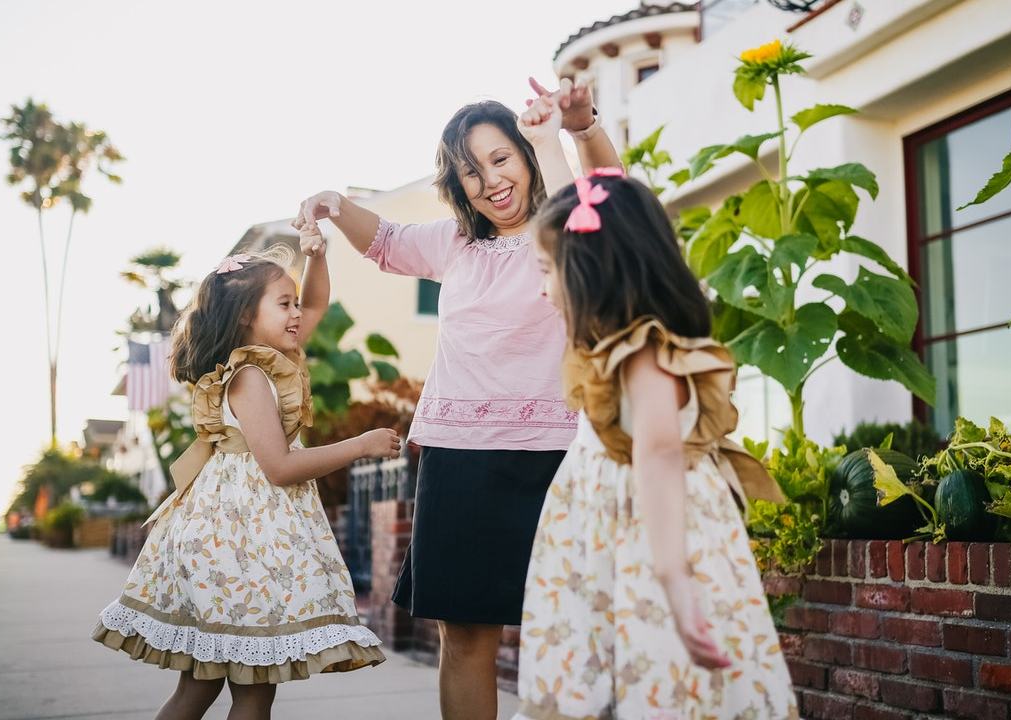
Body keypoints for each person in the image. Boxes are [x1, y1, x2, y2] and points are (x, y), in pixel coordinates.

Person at [294, 79, 620, 720]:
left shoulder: (566, 233)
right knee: (465, 635)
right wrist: (335, 204)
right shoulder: (454, 244)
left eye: (501, 159)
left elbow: (609, 195)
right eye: (470, 172)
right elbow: (383, 241)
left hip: (555, 460)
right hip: (458, 459)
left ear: (528, 157)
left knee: (569, 628)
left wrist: (580, 127)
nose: (489, 182)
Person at [510, 96, 797, 719]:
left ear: (591, 273)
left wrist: (672, 577)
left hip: (647, 539)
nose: (541, 286)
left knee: (656, 677)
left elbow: (661, 450)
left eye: (545, 271)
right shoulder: (615, 340)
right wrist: (547, 141)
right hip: (606, 540)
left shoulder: (645, 350)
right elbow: (582, 210)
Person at [92, 236, 400, 720]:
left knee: (199, 688)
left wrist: (317, 257)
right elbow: (279, 467)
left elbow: (317, 301)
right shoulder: (250, 378)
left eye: (295, 303)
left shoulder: (269, 362)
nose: (298, 312)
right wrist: (361, 446)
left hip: (235, 545)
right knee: (252, 692)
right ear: (245, 316)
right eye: (284, 304)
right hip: (238, 549)